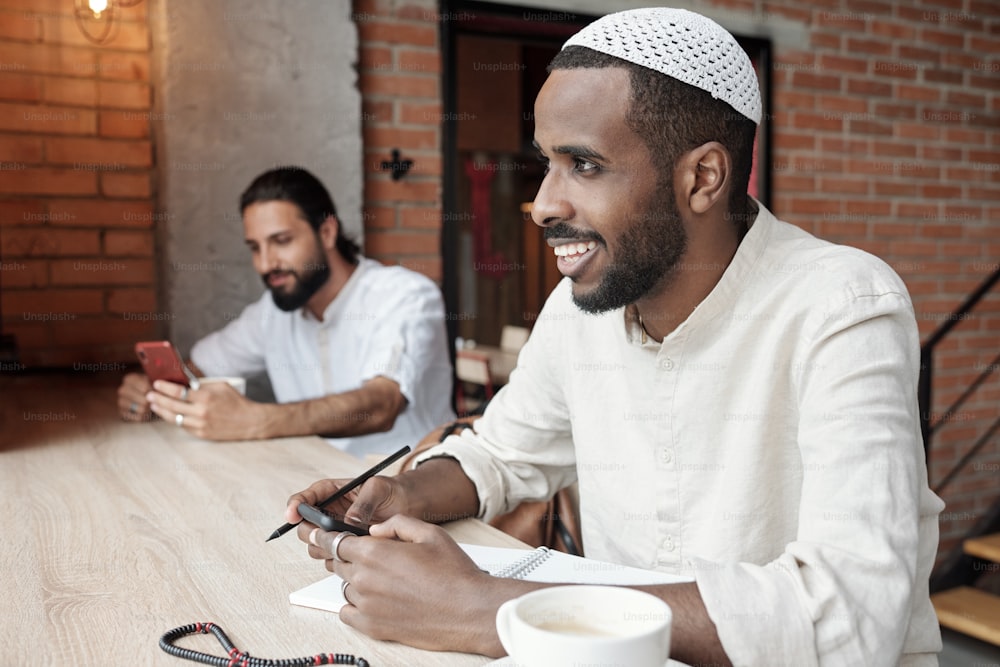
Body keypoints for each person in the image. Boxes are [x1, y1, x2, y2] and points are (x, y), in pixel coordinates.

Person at [285, 8, 943, 665]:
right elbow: (503, 452)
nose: (543, 204)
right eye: (548, 162)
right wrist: (406, 492)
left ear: (703, 178)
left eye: (585, 165)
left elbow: (849, 612)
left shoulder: (844, 306)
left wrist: (496, 612)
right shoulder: (577, 312)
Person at [117, 167, 455, 457]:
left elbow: (382, 404)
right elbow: (196, 370)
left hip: (410, 492)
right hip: (311, 488)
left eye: (281, 241)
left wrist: (254, 420)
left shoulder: (404, 295)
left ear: (327, 232)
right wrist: (152, 391)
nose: (266, 264)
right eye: (255, 247)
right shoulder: (273, 313)